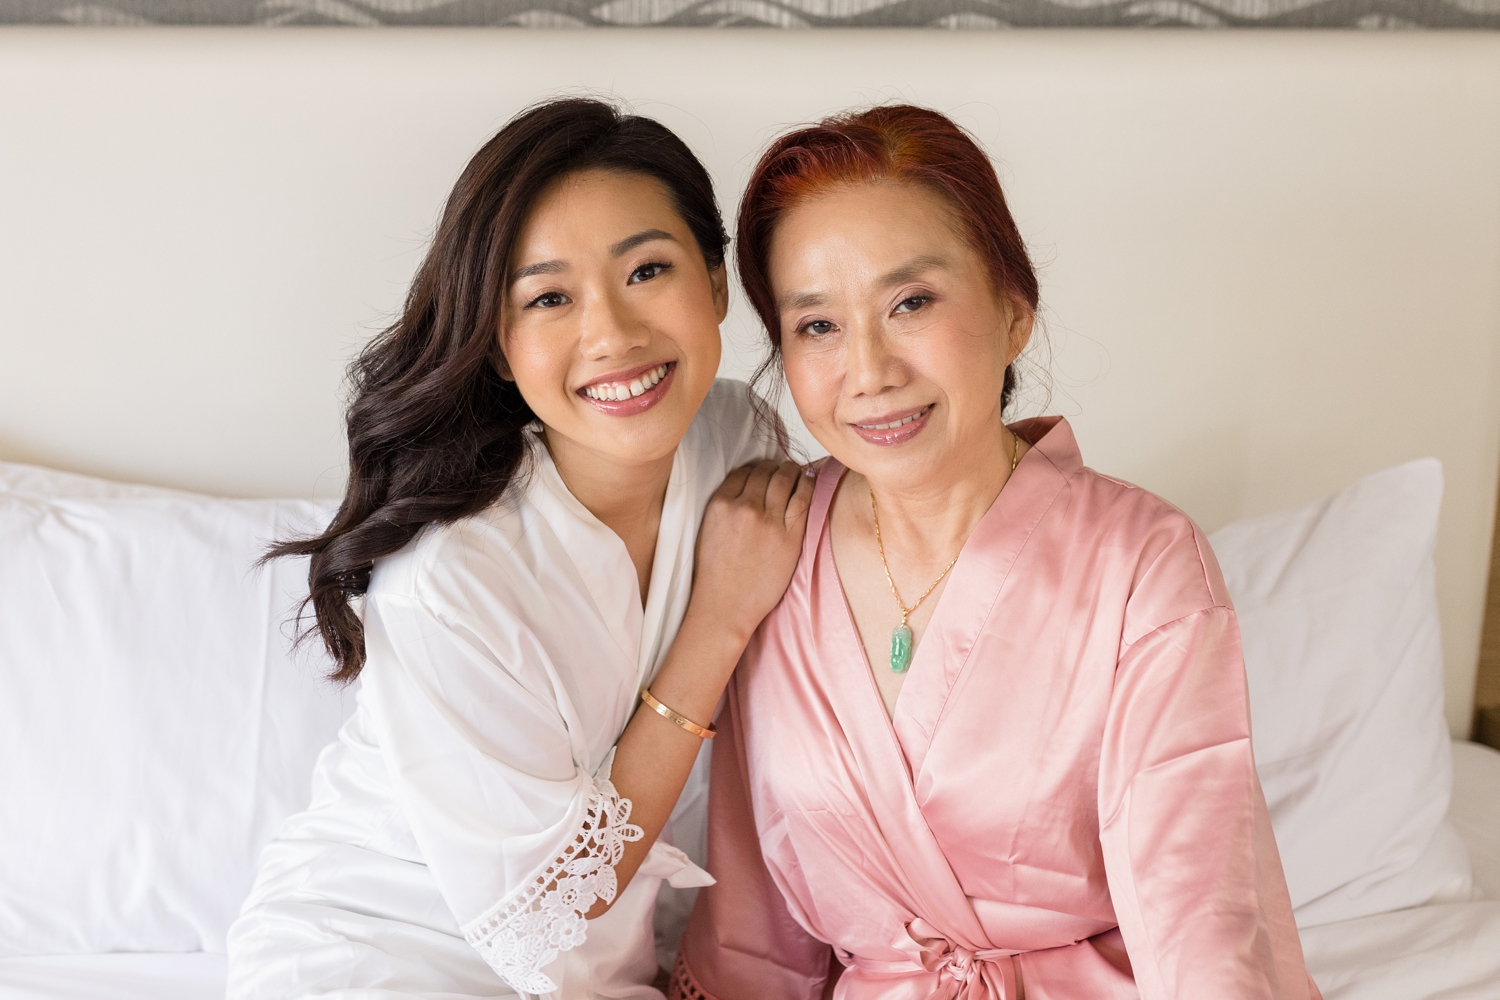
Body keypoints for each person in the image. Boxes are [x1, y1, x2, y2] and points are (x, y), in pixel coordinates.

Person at [672, 106, 1320, 1000]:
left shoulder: (1143, 565)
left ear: (1014, 315)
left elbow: (1195, 913)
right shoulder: (772, 540)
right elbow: (754, 930)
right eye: (817, 325)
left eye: (911, 303)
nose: (869, 370)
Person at [225, 98, 812, 1000]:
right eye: (548, 298)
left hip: (611, 965)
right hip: (385, 953)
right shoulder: (451, 580)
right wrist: (717, 621)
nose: (612, 334)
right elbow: (548, 915)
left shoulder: (740, 439)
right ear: (499, 350)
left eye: (647, 269)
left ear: (718, 281)